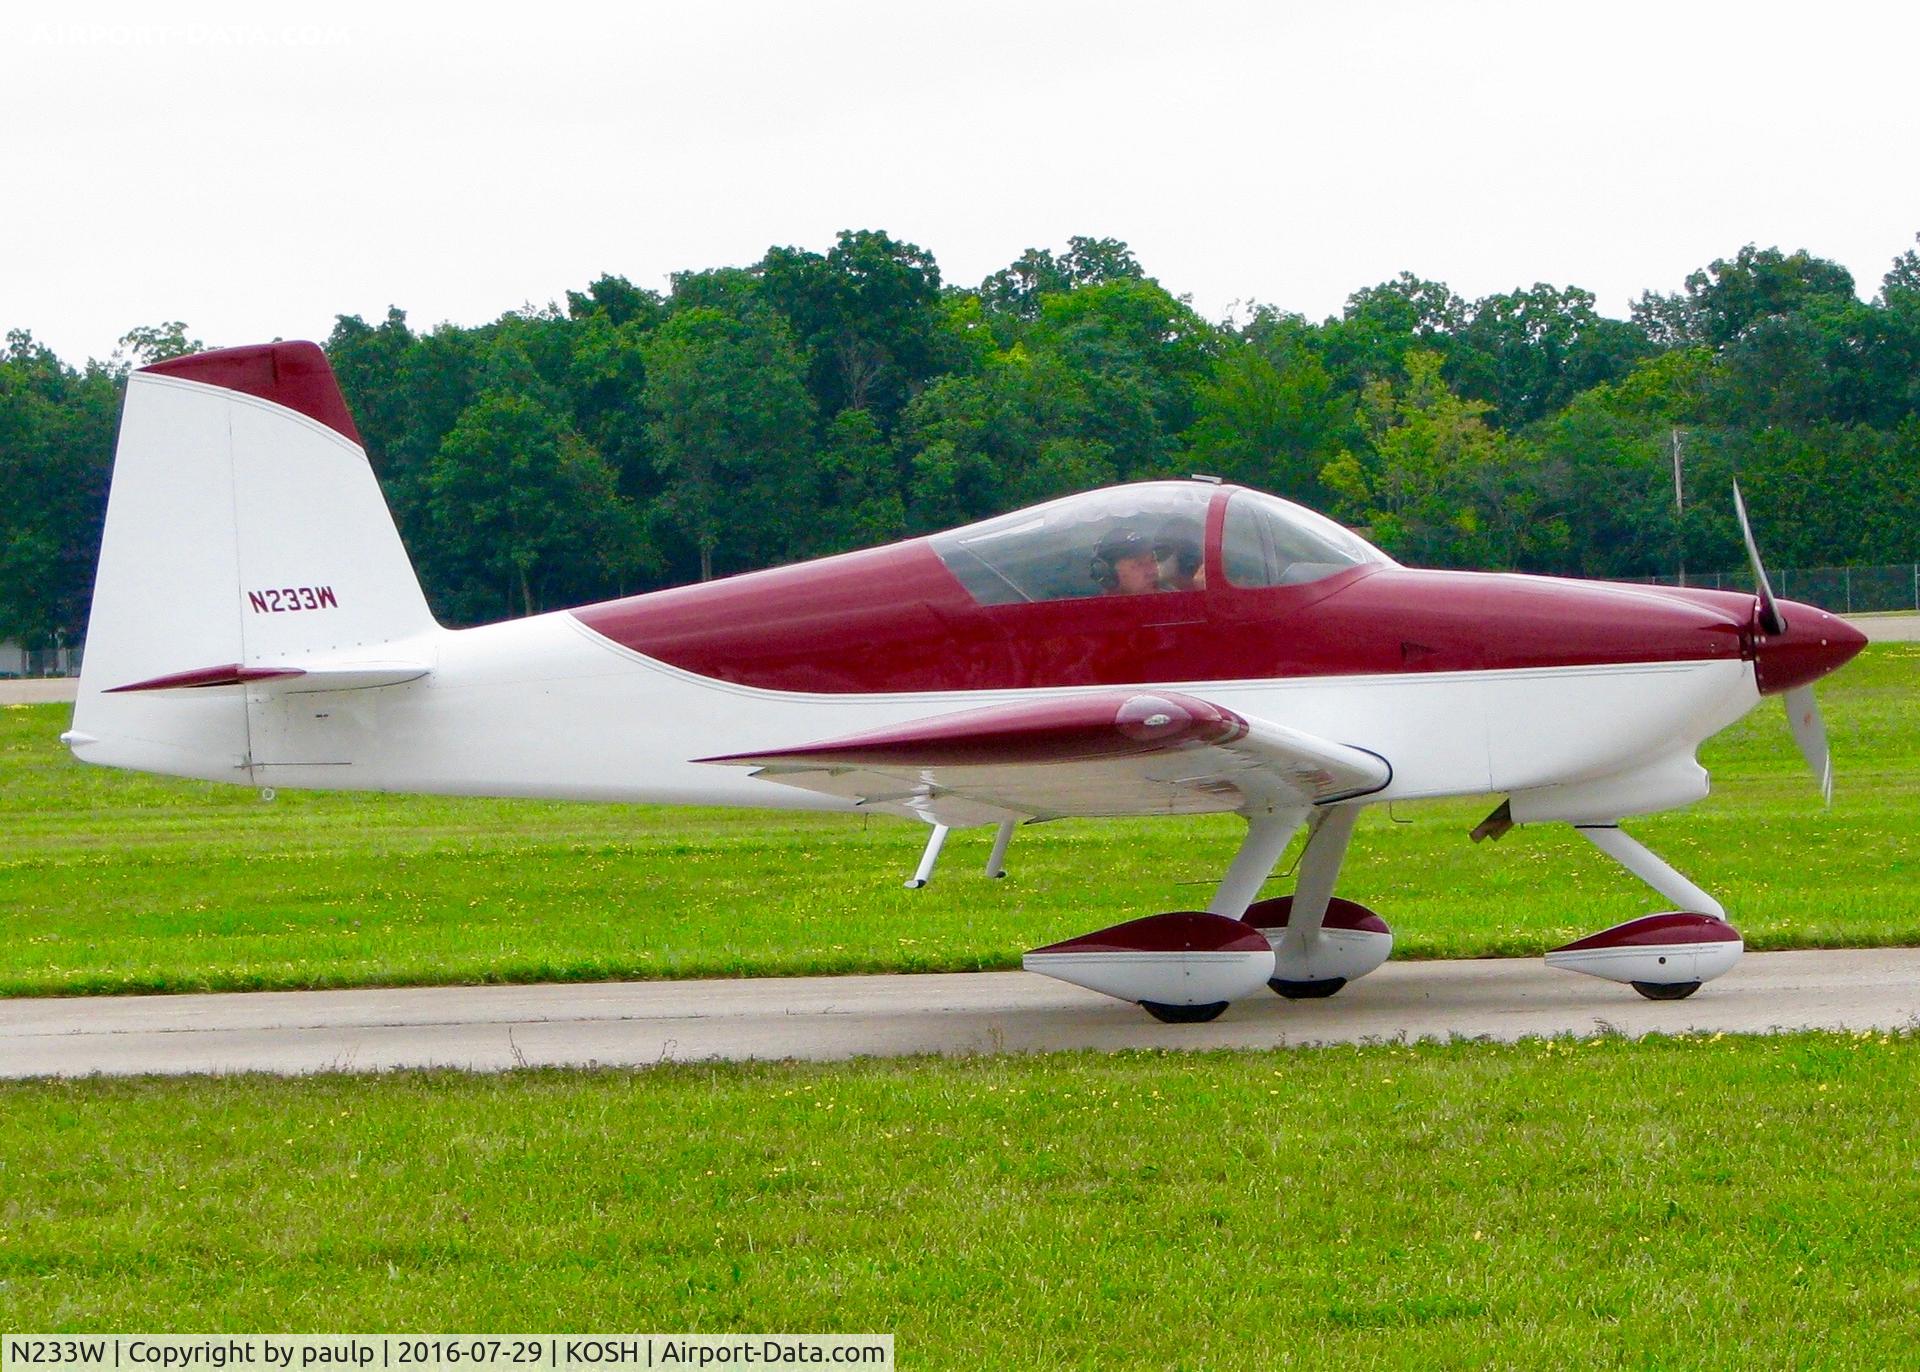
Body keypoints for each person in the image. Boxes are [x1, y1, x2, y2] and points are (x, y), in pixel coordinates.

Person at [1090, 527, 1164, 595]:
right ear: (1107, 574)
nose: (1152, 572)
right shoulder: (1090, 609)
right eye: (1139, 564)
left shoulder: (1172, 604)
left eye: (1154, 560)